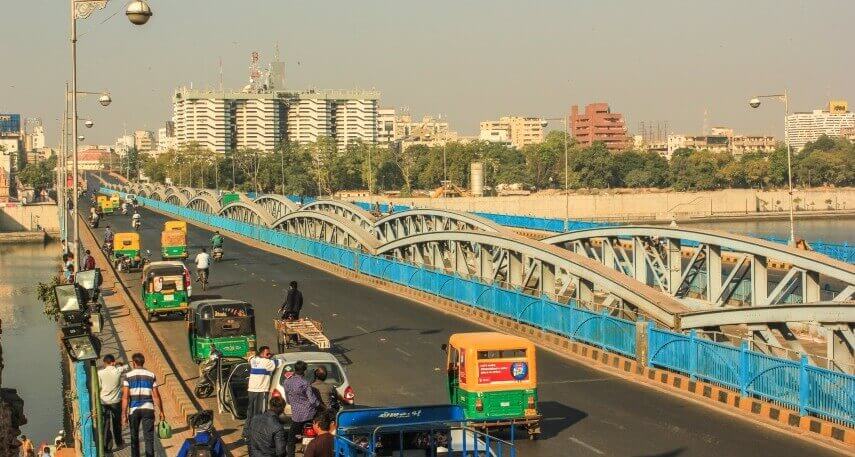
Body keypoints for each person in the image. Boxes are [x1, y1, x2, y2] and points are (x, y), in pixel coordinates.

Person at [122, 353, 165, 457]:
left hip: (134, 410)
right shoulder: (151, 375)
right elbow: (156, 396)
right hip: (148, 409)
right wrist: (162, 411)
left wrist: (124, 414)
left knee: (134, 438)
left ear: (134, 363)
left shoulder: (127, 376)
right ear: (142, 362)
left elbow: (125, 397)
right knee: (149, 438)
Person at [283, 361, 319, 457]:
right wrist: (319, 405)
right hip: (310, 414)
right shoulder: (305, 383)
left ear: (295, 369)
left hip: (297, 417)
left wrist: (293, 403)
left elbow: (288, 398)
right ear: (304, 371)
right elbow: (312, 400)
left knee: (291, 440)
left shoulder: (287, 381)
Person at [98, 354, 129, 451]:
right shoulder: (117, 370)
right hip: (116, 401)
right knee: (116, 423)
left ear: (104, 363)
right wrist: (118, 364)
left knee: (106, 423)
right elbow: (127, 367)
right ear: (113, 362)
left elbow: (99, 386)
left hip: (103, 401)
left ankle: (107, 446)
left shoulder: (100, 373)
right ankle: (119, 443)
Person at [246, 347, 280, 422]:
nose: (269, 355)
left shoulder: (253, 360)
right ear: (261, 354)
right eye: (267, 353)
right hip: (261, 390)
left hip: (251, 389)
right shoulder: (267, 362)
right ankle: (259, 427)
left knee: (251, 410)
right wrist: (272, 358)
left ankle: (248, 428)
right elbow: (279, 362)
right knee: (261, 411)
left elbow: (250, 358)